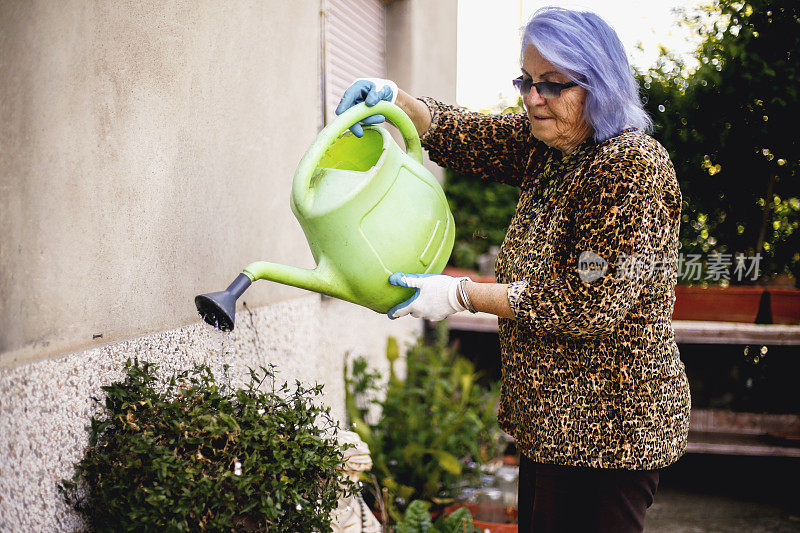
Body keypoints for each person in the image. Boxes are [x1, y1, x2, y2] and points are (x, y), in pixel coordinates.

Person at [335, 6, 691, 532]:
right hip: (550, 423)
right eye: (525, 81)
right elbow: (468, 134)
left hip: (608, 429)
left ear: (599, 85)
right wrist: (397, 102)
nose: (532, 97)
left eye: (552, 84)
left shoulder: (631, 167)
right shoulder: (553, 148)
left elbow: (588, 302)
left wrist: (461, 296)